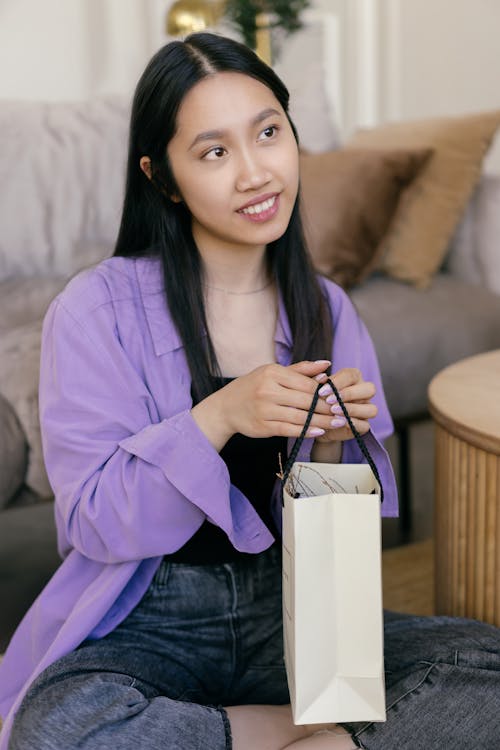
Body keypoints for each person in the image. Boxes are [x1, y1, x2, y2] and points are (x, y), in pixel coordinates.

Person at [0, 31, 499, 750]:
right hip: (148, 619)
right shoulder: (93, 309)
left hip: (287, 611)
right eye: (214, 152)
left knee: (483, 670)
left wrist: (333, 440)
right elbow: (94, 522)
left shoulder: (325, 307)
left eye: (268, 134)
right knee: (60, 728)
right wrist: (223, 414)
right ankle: (305, 734)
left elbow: (342, 535)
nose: (255, 173)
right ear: (162, 177)